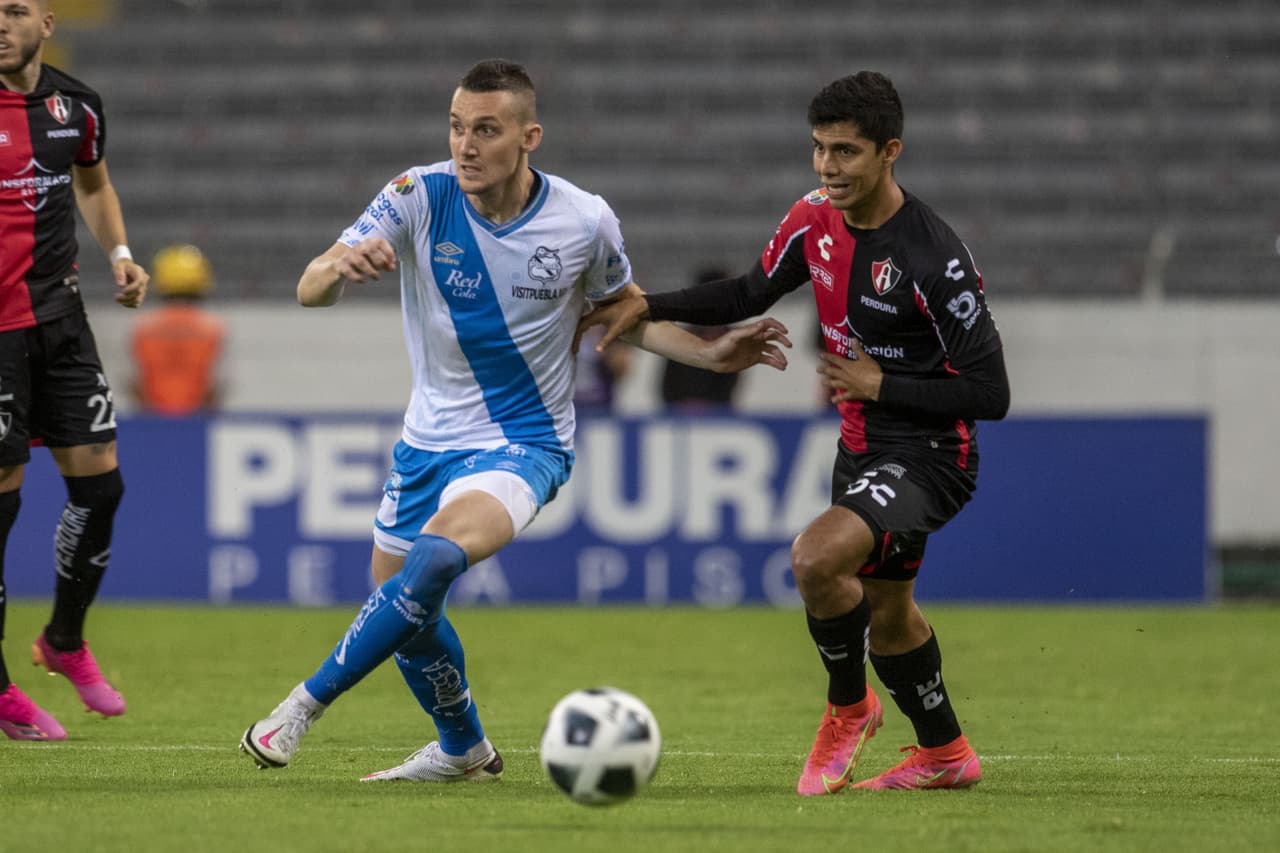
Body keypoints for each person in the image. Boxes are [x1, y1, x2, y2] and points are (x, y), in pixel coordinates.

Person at [238, 59, 790, 780]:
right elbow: (310, 287)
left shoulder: (584, 220)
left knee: (432, 560)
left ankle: (300, 708)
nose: (466, 145)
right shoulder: (417, 194)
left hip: (525, 442)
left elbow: (626, 314)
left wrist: (713, 356)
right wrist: (340, 266)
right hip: (425, 444)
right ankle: (464, 748)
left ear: (529, 137)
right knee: (406, 614)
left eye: (487, 131)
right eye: (457, 128)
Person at [581, 71, 1010, 794]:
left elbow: (991, 393)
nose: (828, 167)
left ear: (889, 152)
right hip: (860, 448)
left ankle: (849, 707)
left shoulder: (933, 257)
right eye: (819, 149)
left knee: (815, 558)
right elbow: (750, 290)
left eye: (845, 151)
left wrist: (883, 385)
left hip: (934, 453)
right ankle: (946, 753)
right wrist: (648, 304)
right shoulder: (814, 218)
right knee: (889, 614)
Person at [0, 0, 148, 741]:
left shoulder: (75, 107)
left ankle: (63, 637)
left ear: (47, 22)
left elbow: (92, 185)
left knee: (102, 485)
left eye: (13, 10)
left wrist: (120, 255)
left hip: (60, 324)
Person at [130, 243, 225, 416]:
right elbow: (217, 385)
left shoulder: (142, 328)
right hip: (197, 423)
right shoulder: (214, 329)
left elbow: (133, 383)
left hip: (151, 422)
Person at [659, 267, 741, 411]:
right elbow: (668, 387)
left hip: (718, 420)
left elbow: (729, 386)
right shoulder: (678, 339)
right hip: (681, 419)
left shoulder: (734, 340)